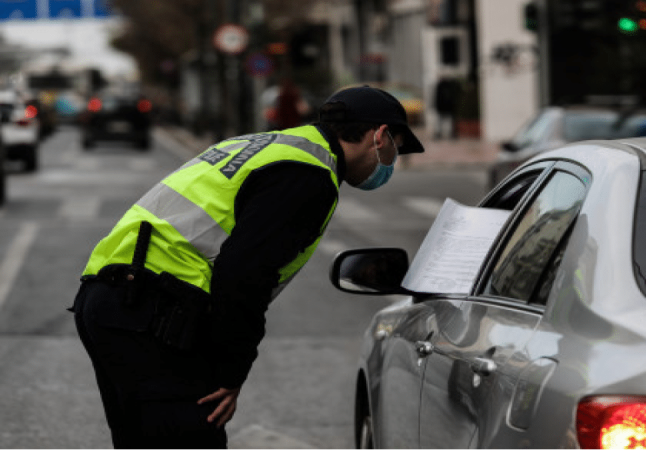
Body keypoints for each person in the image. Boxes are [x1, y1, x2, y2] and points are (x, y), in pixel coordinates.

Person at [70, 85, 424, 450]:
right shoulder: (309, 175)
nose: (391, 163)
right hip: (153, 310)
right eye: (396, 148)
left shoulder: (268, 144)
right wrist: (231, 372)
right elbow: (244, 275)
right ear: (379, 136)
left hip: (109, 298)